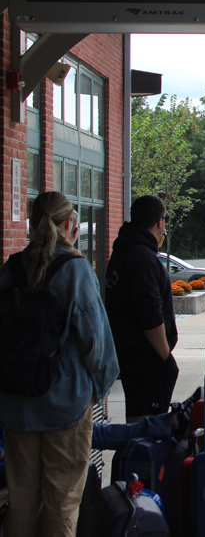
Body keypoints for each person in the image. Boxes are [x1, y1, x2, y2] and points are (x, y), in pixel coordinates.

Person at [0, 192, 119, 537]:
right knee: (63, 502)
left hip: (17, 405)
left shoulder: (11, 269)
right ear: (70, 225)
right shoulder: (75, 270)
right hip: (65, 405)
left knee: (21, 502)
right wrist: (98, 390)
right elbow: (96, 343)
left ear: (32, 223)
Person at [105, 196, 178, 423]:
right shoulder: (142, 258)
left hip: (128, 352)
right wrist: (165, 357)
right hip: (146, 356)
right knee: (146, 426)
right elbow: (149, 313)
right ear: (159, 222)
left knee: (137, 418)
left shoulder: (122, 252)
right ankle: (142, 459)